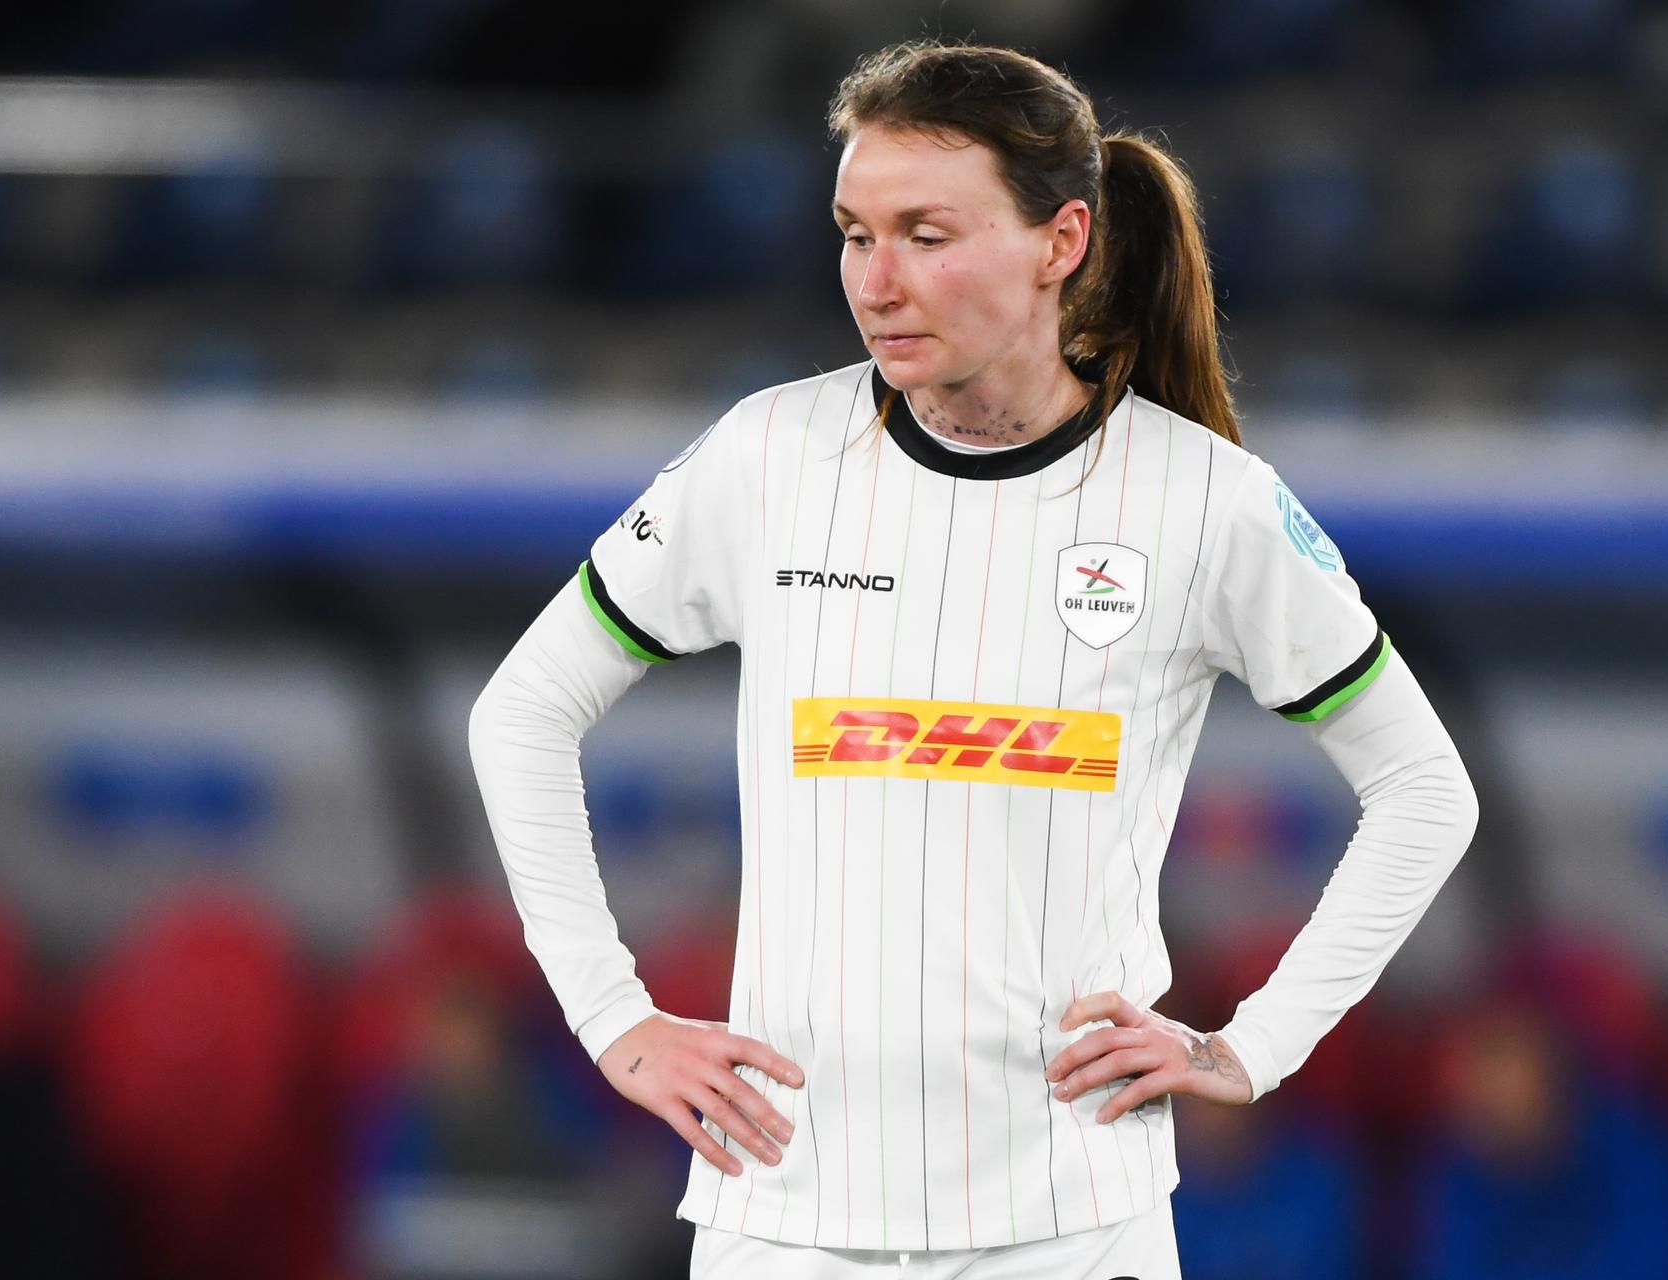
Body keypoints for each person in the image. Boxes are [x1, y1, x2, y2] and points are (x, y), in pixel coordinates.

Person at [469, 39, 1481, 1280]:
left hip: (1071, 1223)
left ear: (1061, 242)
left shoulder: (1207, 501)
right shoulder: (767, 457)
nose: (876, 280)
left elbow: (1428, 790)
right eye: (853, 233)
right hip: (780, 1217)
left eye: (926, 235)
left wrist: (1249, 1045)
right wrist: (613, 1017)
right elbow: (521, 711)